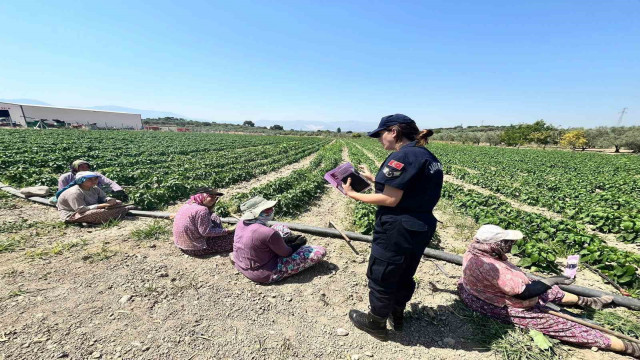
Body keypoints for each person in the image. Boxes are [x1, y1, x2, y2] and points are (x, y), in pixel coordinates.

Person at [458, 224, 639, 358]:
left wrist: (548, 284)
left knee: (548, 290)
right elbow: (524, 293)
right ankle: (625, 346)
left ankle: (589, 302)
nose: (511, 244)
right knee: (562, 325)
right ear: (495, 245)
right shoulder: (491, 266)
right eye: (507, 242)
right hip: (498, 304)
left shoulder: (476, 250)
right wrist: (554, 279)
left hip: (481, 291)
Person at [343, 114, 442, 341]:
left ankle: (375, 323)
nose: (379, 139)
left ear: (394, 131)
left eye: (381, 134)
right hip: (421, 226)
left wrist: (354, 194)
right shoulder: (427, 156)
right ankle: (396, 315)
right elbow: (411, 188)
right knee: (405, 272)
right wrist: (374, 179)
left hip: (398, 228)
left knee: (382, 273)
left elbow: (390, 199)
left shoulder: (402, 156)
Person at [232, 196, 326, 284]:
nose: (272, 210)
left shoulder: (241, 222)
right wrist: (297, 244)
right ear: (257, 213)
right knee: (319, 251)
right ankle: (276, 272)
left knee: (280, 227)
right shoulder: (267, 233)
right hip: (263, 273)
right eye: (268, 209)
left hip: (241, 264)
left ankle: (280, 243)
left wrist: (286, 240)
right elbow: (286, 253)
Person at [172, 188, 234, 257]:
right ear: (202, 196)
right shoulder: (202, 210)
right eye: (210, 196)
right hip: (196, 248)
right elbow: (206, 232)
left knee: (214, 216)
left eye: (215, 197)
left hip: (182, 246)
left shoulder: (187, 205)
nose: (213, 199)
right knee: (235, 237)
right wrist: (227, 230)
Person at [56, 171, 132, 224]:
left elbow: (103, 197)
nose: (94, 181)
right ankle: (123, 210)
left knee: (118, 202)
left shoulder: (94, 188)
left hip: (90, 207)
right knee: (97, 213)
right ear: (81, 181)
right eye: (90, 179)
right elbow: (80, 209)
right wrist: (103, 205)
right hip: (73, 214)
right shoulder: (75, 192)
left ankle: (117, 212)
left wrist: (109, 200)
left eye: (95, 179)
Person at [58, 160, 128, 201]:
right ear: (75, 168)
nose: (85, 169)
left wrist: (118, 189)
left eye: (87, 167)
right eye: (82, 167)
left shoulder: (94, 175)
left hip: (93, 194)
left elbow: (109, 182)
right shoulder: (65, 177)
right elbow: (62, 192)